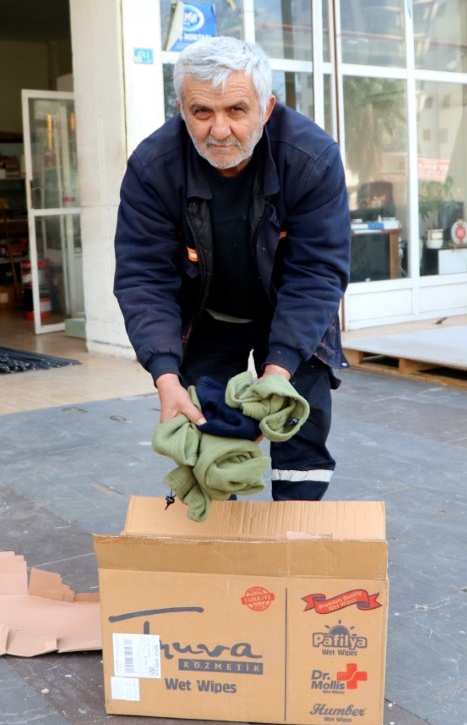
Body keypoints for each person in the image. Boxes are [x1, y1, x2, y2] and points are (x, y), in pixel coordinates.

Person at [114, 35, 350, 501]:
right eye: (202, 112)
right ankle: (217, 558)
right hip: (205, 320)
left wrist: (278, 371)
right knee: (202, 436)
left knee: (297, 434)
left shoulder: (311, 158)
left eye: (236, 111)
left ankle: (294, 544)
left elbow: (317, 272)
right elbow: (144, 276)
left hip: (291, 317)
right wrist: (165, 376)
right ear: (182, 108)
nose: (219, 130)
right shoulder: (152, 167)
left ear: (267, 107)